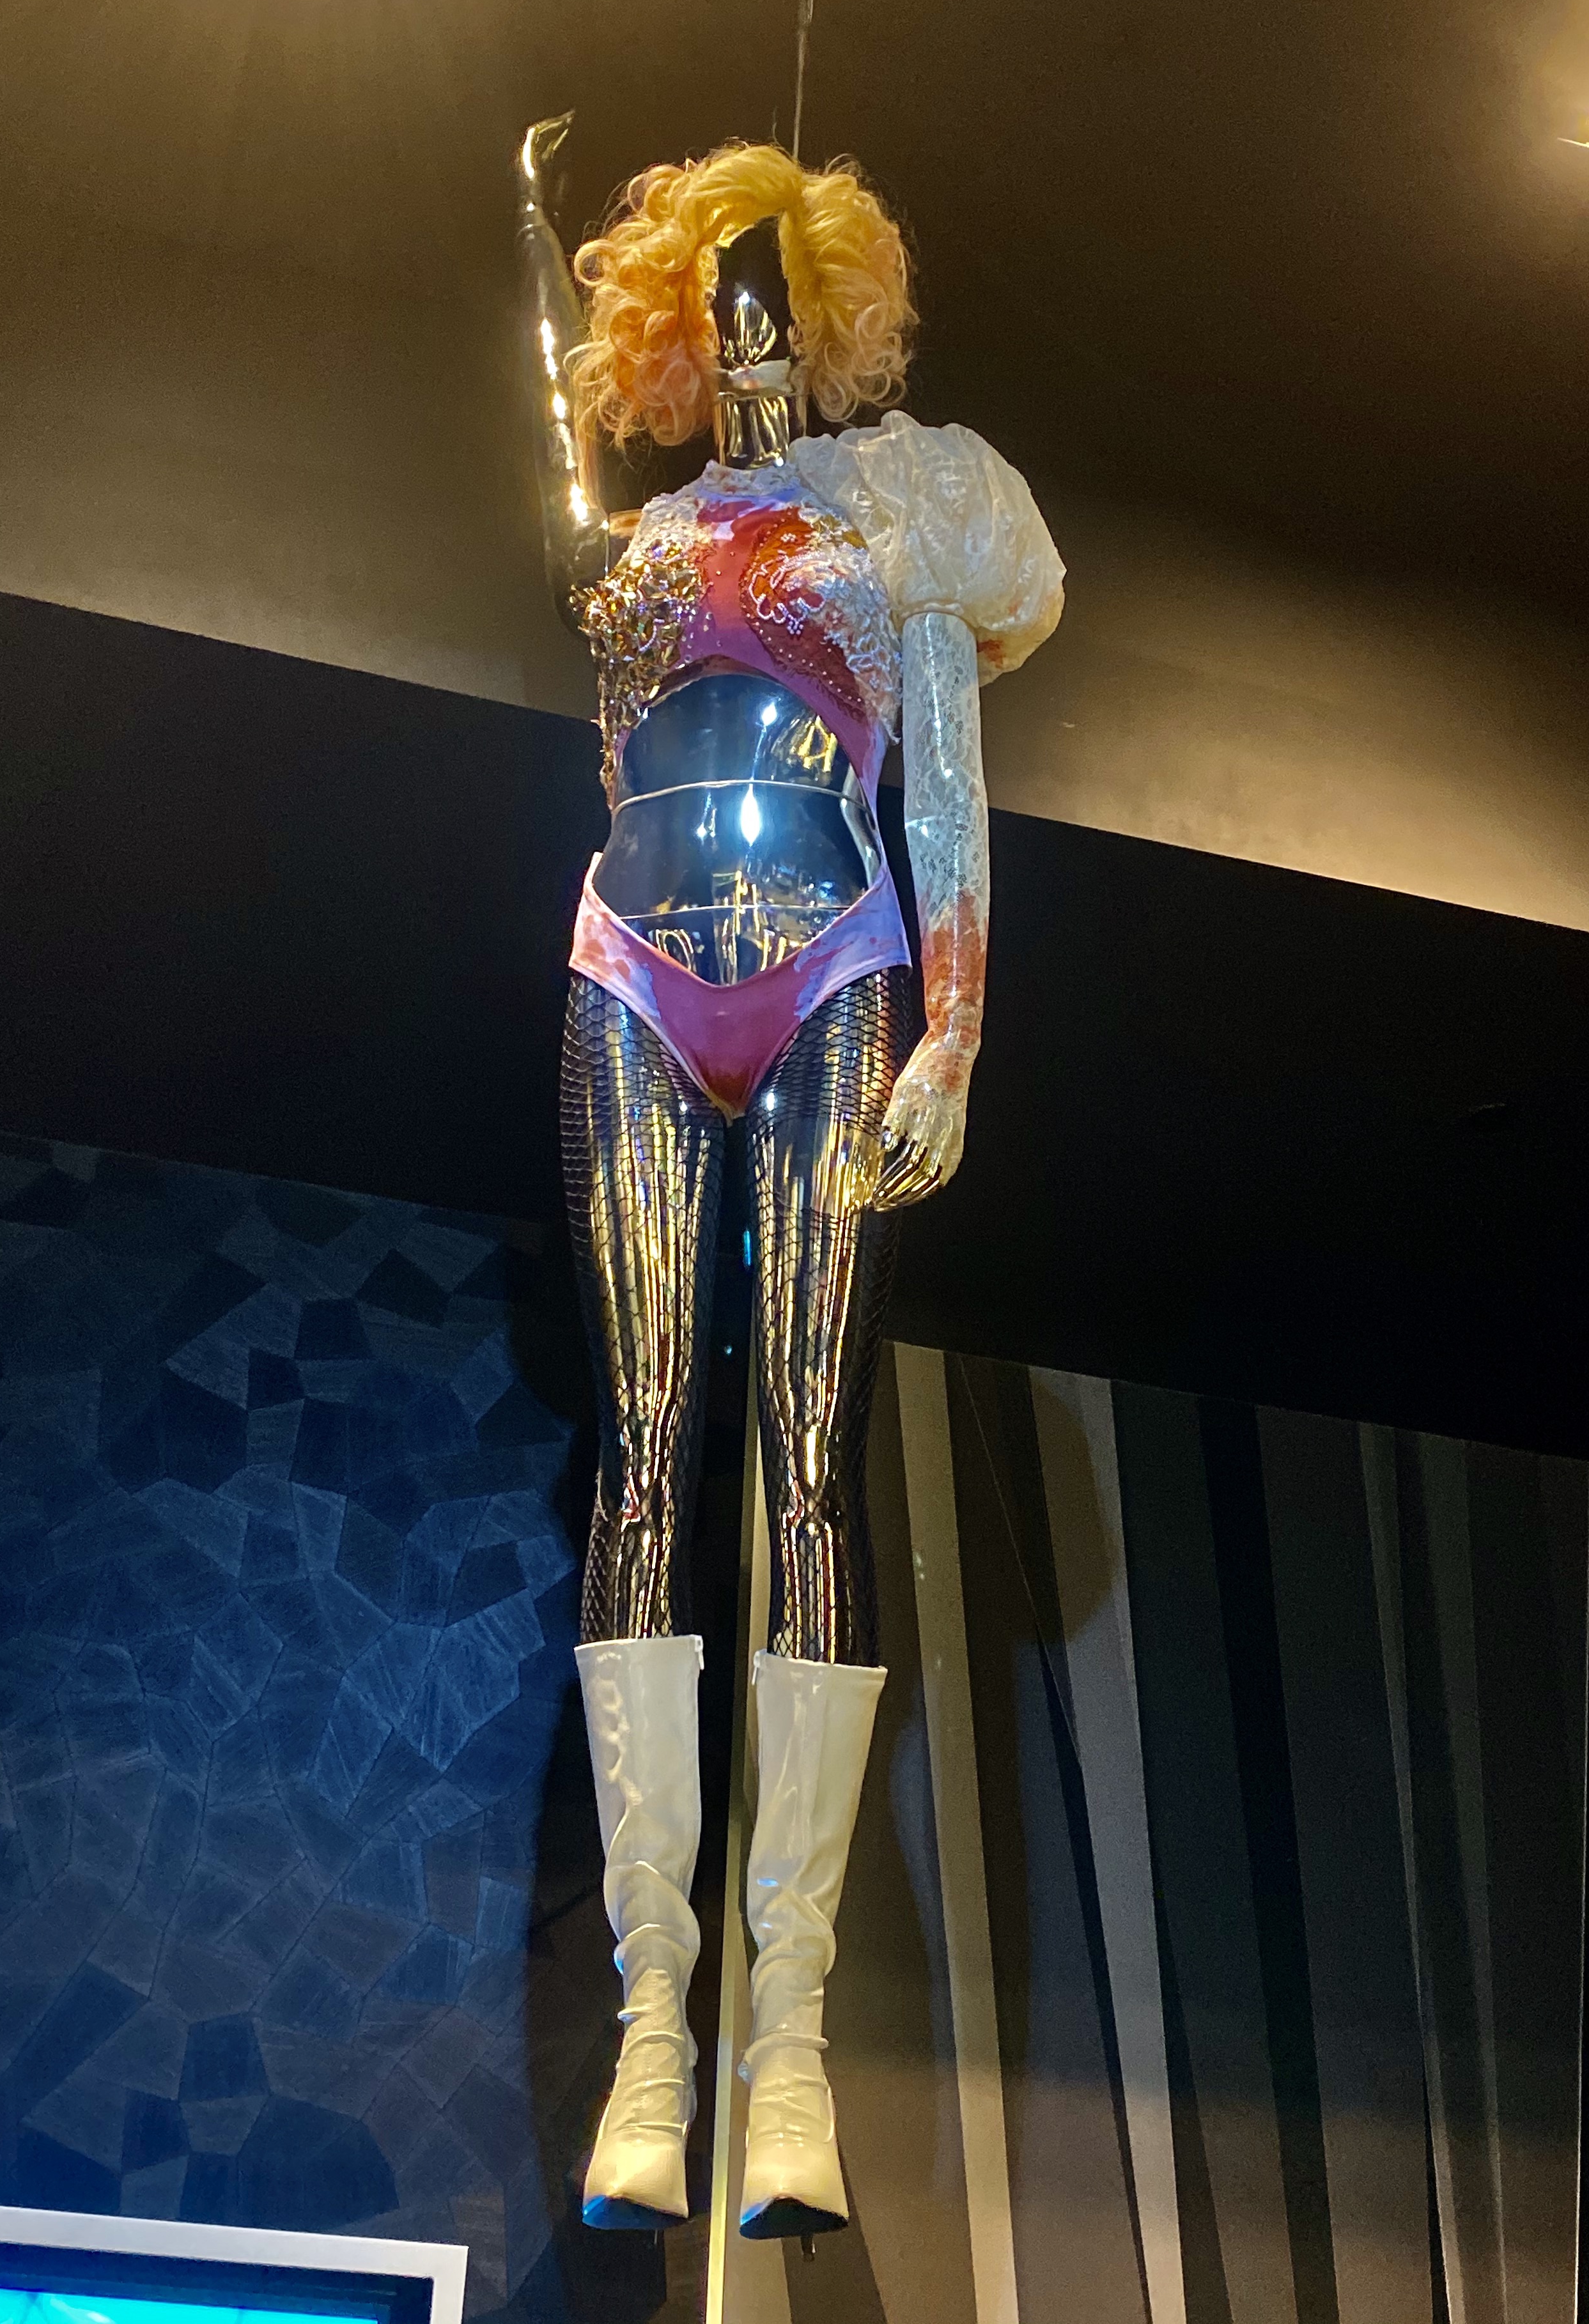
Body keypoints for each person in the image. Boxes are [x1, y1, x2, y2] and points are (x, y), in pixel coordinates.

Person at [514, 118, 1062, 2240]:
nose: (745, 349)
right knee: (647, 1448)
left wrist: (958, 1025)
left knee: (810, 1453)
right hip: (631, 970)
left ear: (821, 322)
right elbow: (613, 755)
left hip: (834, 958)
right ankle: (655, 2028)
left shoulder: (897, 508)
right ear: (680, 333)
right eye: (714, 316)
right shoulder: (641, 538)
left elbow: (951, 775)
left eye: (775, 313)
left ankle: (796, 2036)